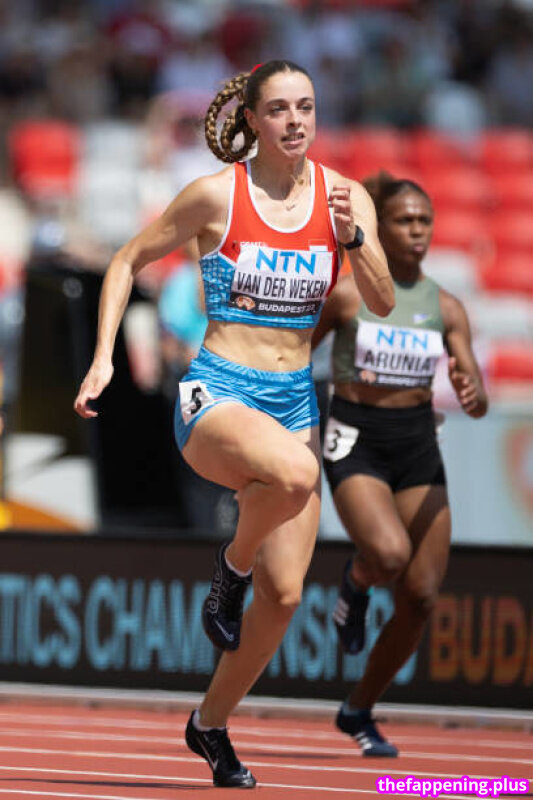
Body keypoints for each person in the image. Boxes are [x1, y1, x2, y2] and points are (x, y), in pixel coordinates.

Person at [74, 60, 394, 787]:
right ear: (251, 119)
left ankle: (209, 724)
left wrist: (355, 240)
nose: (295, 121)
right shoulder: (216, 195)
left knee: (284, 597)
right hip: (216, 394)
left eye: (305, 106)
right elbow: (126, 260)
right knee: (296, 472)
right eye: (278, 108)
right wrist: (102, 360)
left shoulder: (345, 199)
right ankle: (231, 566)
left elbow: (379, 300)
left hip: (292, 401)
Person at [312, 171, 488, 757]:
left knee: (421, 595)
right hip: (356, 438)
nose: (417, 231)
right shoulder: (346, 295)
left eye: (424, 221)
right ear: (379, 228)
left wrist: (471, 392)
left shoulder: (447, 307)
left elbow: (478, 398)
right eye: (405, 220)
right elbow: (289, 355)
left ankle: (358, 710)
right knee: (387, 555)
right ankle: (356, 582)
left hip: (417, 446)